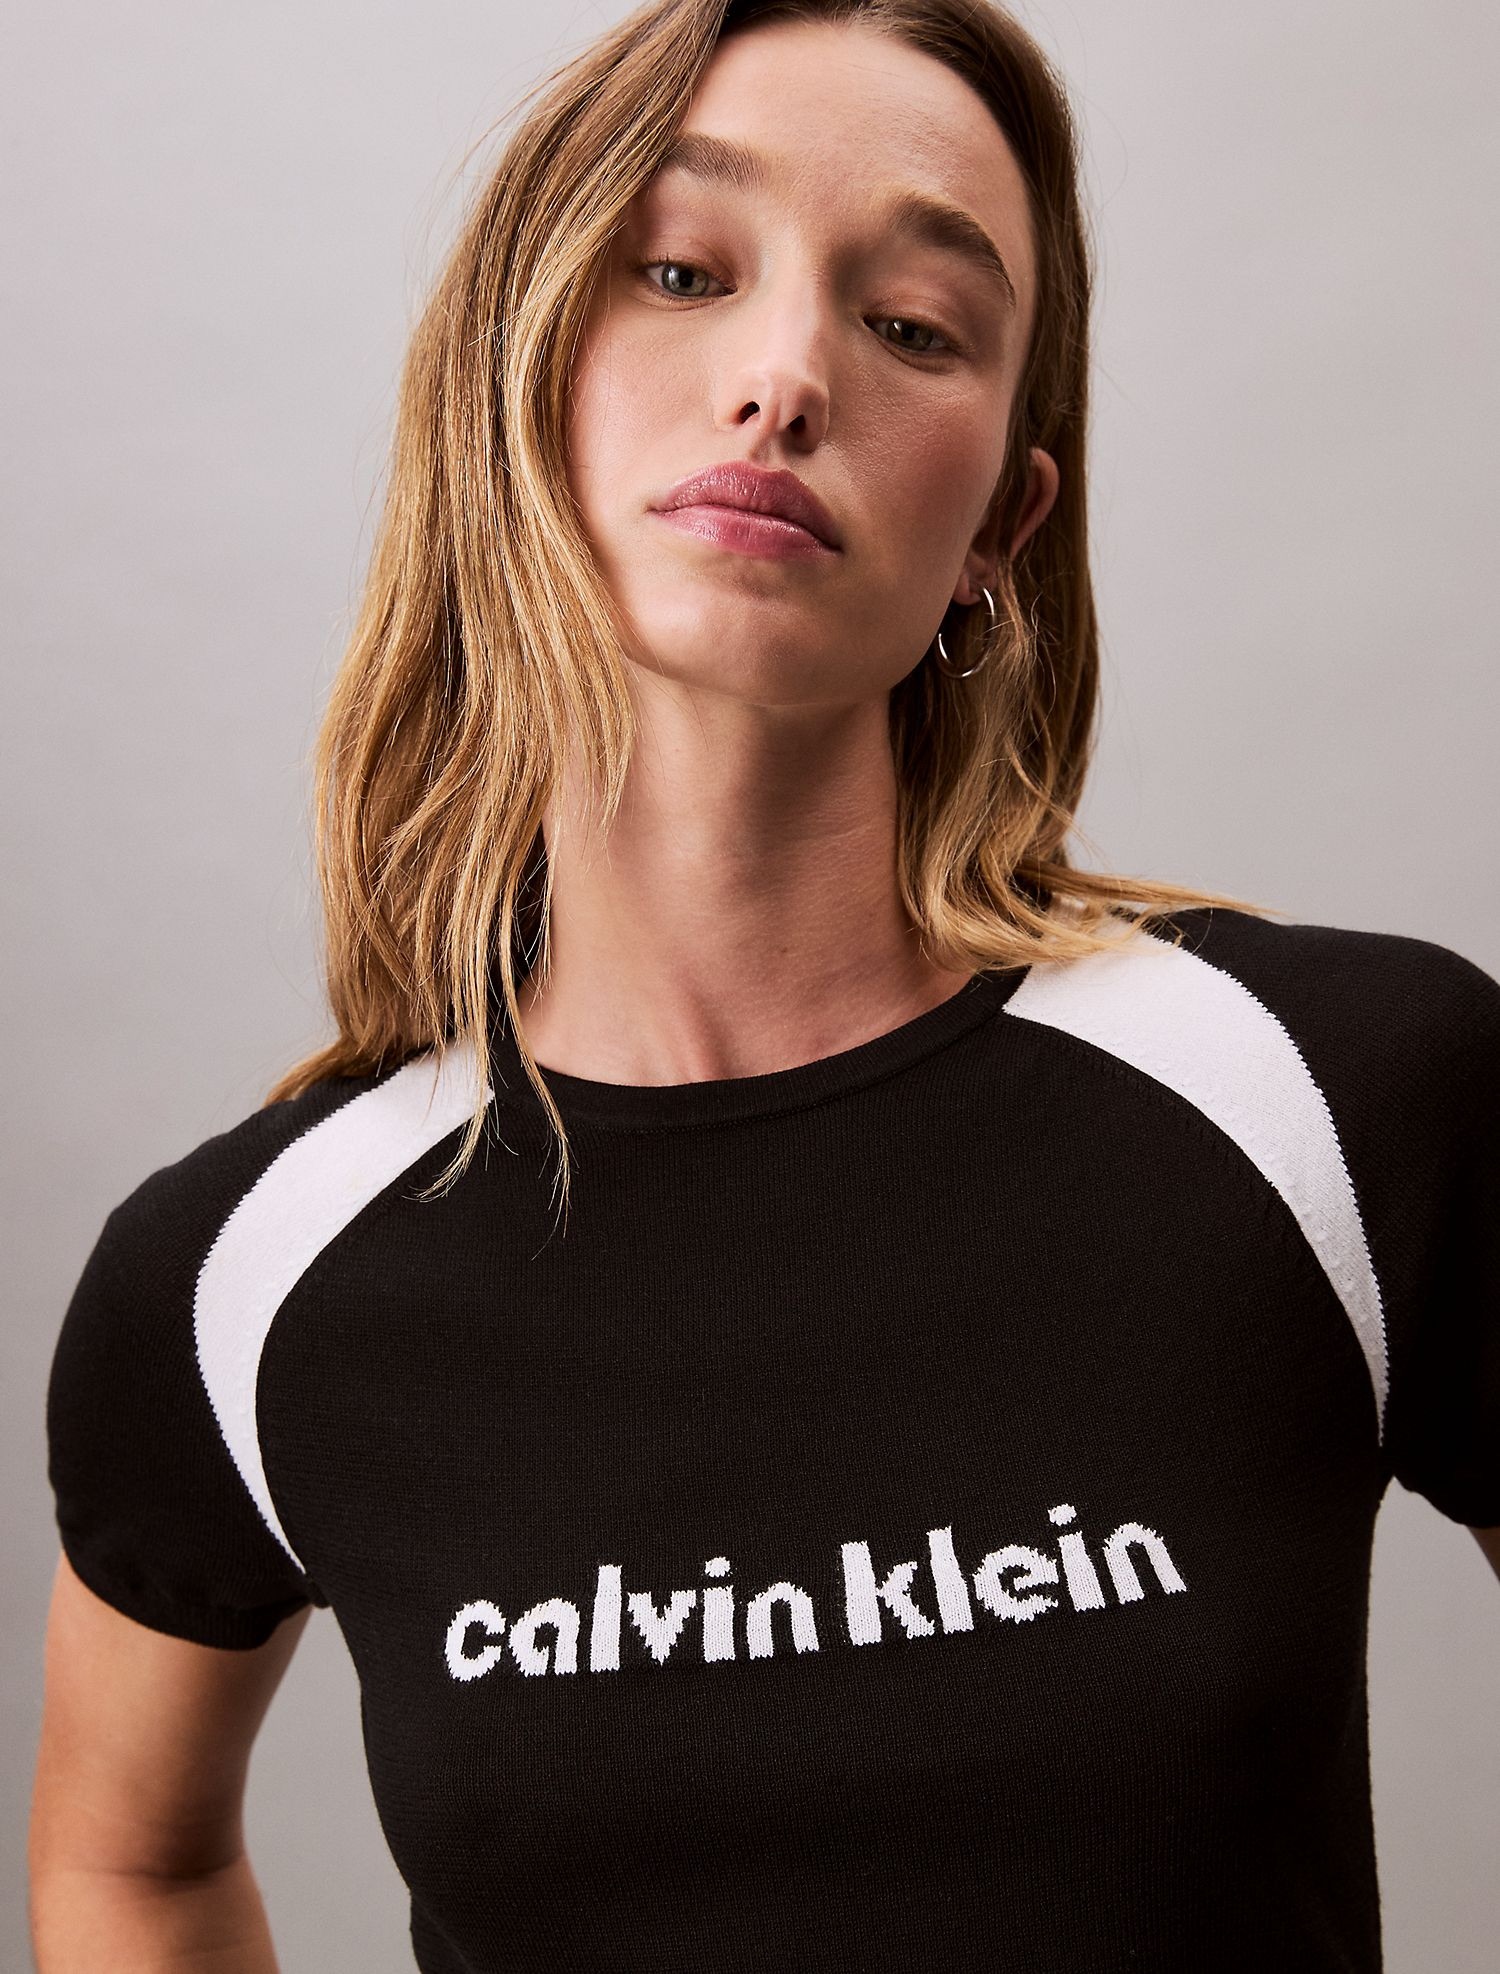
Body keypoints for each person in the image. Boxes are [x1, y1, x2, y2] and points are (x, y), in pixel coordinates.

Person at [29, 0, 1500, 1968]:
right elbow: (128, 1861)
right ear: (518, 375)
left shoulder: (1336, 1101)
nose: (787, 375)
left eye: (914, 325)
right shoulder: (243, 1275)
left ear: (1000, 526)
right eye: (680, 271)